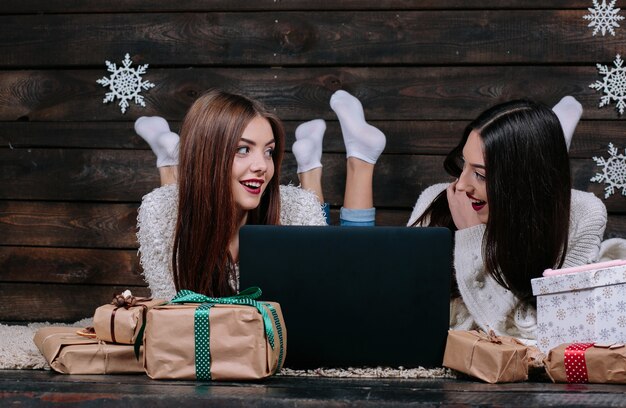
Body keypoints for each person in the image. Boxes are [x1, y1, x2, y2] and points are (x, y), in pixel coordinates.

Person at [136, 89, 386, 300]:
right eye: (243, 149)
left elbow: (321, 304)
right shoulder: (158, 214)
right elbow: (171, 315)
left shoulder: (301, 210)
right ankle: (168, 155)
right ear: (207, 155)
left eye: (269, 151)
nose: (263, 166)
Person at [407, 98, 607, 342]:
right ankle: (548, 146)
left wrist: (472, 236)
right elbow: (404, 311)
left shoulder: (584, 215)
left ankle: (546, 148)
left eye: (479, 174)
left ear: (523, 182)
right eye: (464, 164)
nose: (460, 184)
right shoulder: (438, 201)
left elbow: (549, 335)